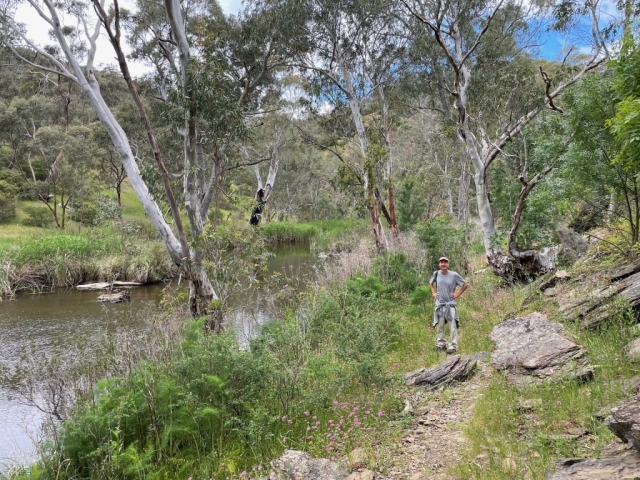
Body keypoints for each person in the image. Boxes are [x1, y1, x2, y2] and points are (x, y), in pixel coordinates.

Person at [429, 256, 468, 354]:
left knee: (452, 325)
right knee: (440, 325)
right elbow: (430, 283)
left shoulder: (454, 275)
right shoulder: (436, 274)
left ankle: (453, 346)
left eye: (445, 262)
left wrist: (457, 294)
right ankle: (441, 344)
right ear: (439, 264)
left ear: (448, 264)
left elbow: (465, 284)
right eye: (441, 262)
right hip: (440, 304)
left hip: (450, 304)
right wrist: (434, 293)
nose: (443, 264)